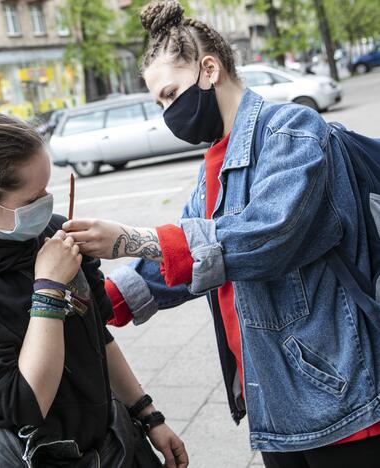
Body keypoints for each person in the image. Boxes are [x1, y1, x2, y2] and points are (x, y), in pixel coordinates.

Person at [62, 2, 380, 467]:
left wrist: (131, 238)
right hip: (273, 393)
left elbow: (268, 236)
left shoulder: (293, 130)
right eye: (159, 103)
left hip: (337, 391)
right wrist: (101, 302)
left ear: (209, 70)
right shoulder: (214, 160)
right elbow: (183, 256)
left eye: (171, 94)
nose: (168, 113)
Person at [0, 112, 188, 467]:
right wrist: (49, 290)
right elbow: (25, 402)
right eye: (32, 199)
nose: (47, 205)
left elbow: (98, 338)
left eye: (47, 190)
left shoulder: (53, 235)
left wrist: (147, 415)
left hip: (115, 442)